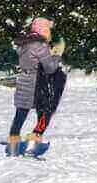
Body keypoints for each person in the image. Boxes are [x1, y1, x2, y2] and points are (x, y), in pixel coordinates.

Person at [8, 18, 65, 156]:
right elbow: (50, 68)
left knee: (20, 115)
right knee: (45, 113)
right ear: (44, 30)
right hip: (37, 84)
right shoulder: (40, 45)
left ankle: (12, 149)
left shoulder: (24, 43)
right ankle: (31, 146)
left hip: (24, 81)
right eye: (48, 30)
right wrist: (57, 56)